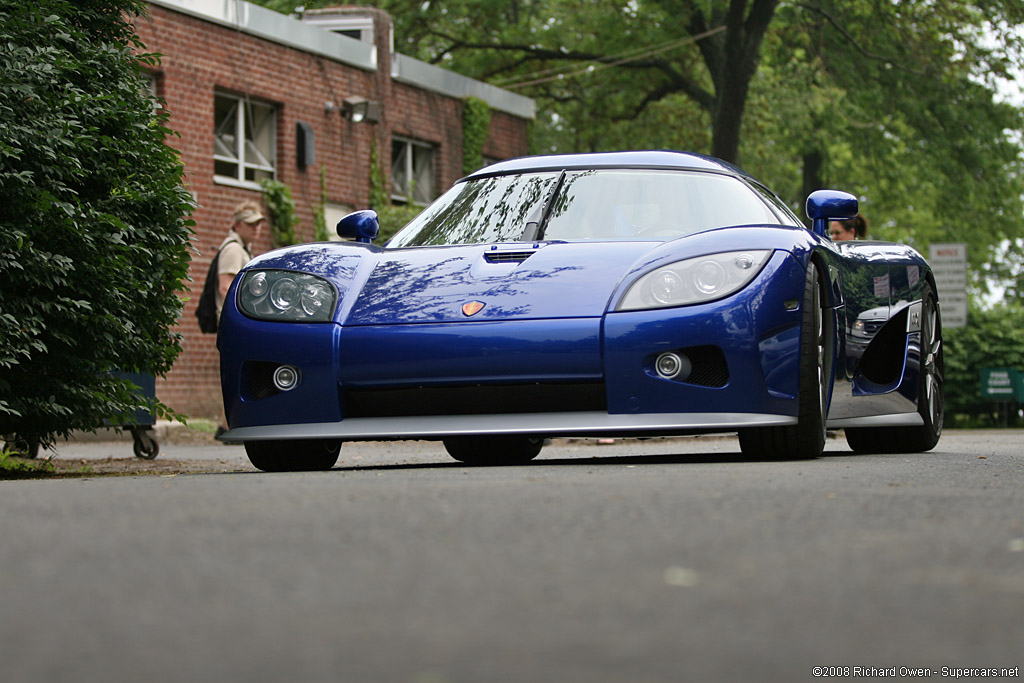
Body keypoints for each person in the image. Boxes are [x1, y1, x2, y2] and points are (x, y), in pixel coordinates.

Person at [217, 200, 264, 316]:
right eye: (250, 224)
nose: (255, 228)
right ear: (237, 226)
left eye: (258, 224)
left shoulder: (243, 248)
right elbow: (225, 288)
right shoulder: (234, 249)